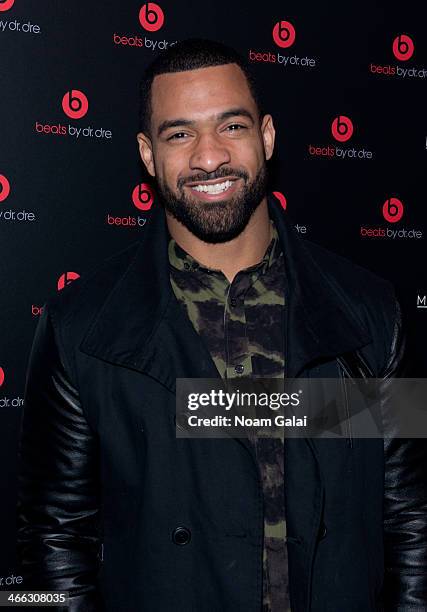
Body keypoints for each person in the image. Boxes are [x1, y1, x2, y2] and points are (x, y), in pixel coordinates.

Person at [17, 38, 427, 612]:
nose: (209, 158)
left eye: (230, 127)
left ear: (266, 137)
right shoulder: (80, 329)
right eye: (179, 134)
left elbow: (411, 520)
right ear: (147, 154)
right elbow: (50, 541)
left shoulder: (370, 314)